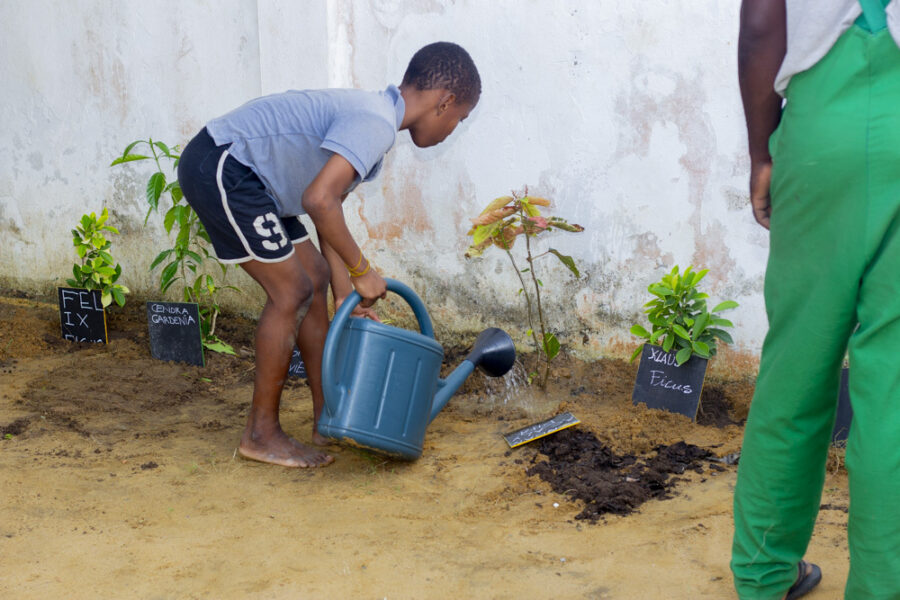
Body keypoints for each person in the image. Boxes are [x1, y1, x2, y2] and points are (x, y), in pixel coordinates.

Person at [177, 42, 480, 468]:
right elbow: (318, 199)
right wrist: (362, 270)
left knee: (315, 276)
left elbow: (326, 212)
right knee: (292, 290)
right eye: (459, 118)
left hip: (257, 183)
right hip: (225, 164)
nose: (454, 128)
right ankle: (260, 434)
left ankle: (327, 418)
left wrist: (345, 298)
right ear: (444, 101)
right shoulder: (374, 123)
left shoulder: (376, 121)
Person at [733, 0, 900, 598]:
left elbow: (760, 23)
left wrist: (762, 152)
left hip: (822, 126)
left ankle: (763, 574)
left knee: (797, 367)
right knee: (895, 395)